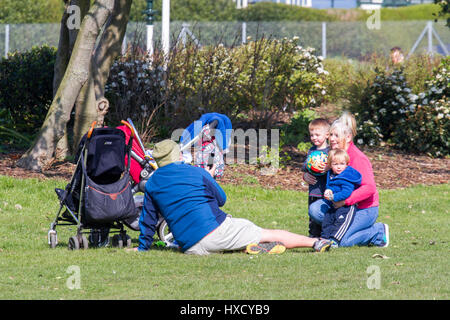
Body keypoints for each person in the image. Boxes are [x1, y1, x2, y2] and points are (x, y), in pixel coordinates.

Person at [135, 139, 332, 255]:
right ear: (179, 157)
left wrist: (143, 248)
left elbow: (148, 219)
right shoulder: (196, 172)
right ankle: (315, 242)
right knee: (264, 231)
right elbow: (221, 200)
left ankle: (250, 246)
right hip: (214, 233)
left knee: (231, 236)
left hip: (189, 246)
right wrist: (209, 178)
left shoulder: (152, 182)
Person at [305, 112, 389, 248]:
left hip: (364, 209)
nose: (332, 139)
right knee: (315, 209)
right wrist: (307, 175)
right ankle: (333, 230)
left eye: (336, 136)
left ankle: (377, 232)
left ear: (348, 137)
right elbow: (319, 171)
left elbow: (369, 188)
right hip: (340, 206)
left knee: (344, 241)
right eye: (331, 134)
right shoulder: (333, 155)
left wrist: (345, 201)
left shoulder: (357, 158)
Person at [321, 149, 362, 247]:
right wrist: (328, 190)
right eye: (335, 164)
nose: (339, 167)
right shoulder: (332, 175)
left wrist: (334, 197)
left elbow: (346, 192)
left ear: (347, 164)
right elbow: (330, 185)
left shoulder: (346, 177)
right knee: (328, 219)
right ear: (330, 165)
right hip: (334, 204)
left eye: (342, 164)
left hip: (347, 207)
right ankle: (324, 238)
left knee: (341, 221)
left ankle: (335, 239)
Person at [301, 118, 330, 237]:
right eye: (312, 135)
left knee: (323, 212)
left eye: (318, 135)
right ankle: (313, 236)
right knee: (312, 215)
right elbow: (304, 165)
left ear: (327, 135)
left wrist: (327, 167)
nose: (314, 138)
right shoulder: (312, 150)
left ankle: (326, 235)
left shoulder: (330, 151)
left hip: (325, 190)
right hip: (313, 191)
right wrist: (305, 174)